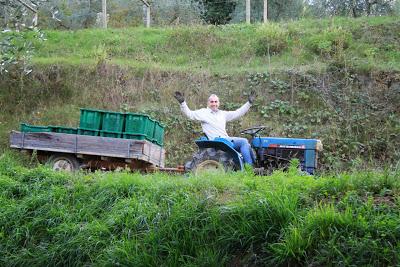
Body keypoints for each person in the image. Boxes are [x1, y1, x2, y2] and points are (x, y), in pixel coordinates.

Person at [174, 91, 256, 166]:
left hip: (226, 139)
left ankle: (254, 164)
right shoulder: (203, 113)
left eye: (216, 102)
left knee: (247, 145)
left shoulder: (222, 114)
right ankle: (250, 168)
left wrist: (249, 103)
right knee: (244, 141)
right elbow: (189, 114)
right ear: (208, 103)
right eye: (212, 102)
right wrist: (182, 103)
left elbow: (237, 113)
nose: (214, 104)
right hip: (218, 141)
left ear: (219, 103)